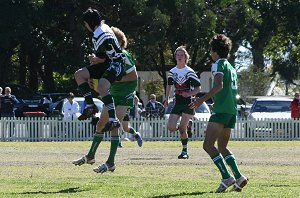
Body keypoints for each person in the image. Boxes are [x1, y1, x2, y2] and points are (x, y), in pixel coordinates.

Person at [72, 26, 142, 173]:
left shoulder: (123, 55)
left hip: (125, 93)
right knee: (100, 125)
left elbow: (133, 77)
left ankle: (110, 162)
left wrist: (112, 80)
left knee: (113, 126)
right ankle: (90, 156)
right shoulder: (108, 58)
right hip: (114, 92)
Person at [189, 34, 247, 192]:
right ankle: (239, 176)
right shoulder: (231, 67)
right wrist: (217, 101)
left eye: (211, 50)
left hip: (221, 112)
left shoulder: (218, 65)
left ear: (215, 52)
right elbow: (228, 89)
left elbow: (219, 85)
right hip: (231, 111)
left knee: (208, 145)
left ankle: (227, 177)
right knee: (222, 147)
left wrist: (202, 100)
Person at [74, 8, 126, 132]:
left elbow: (101, 59)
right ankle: (91, 106)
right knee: (79, 75)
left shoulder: (98, 34)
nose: (86, 26)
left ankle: (113, 120)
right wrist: (96, 59)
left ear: (91, 22)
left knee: (102, 87)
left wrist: (93, 58)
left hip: (116, 63)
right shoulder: (104, 27)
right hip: (108, 62)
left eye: (86, 24)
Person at [164, 46, 201, 159]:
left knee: (182, 129)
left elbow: (198, 88)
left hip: (188, 103)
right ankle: (186, 126)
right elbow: (169, 85)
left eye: (182, 55)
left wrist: (189, 94)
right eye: (178, 55)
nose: (179, 57)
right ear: (175, 57)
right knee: (170, 127)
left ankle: (185, 151)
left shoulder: (189, 71)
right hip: (177, 102)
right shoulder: (172, 72)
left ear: (186, 57)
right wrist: (166, 98)